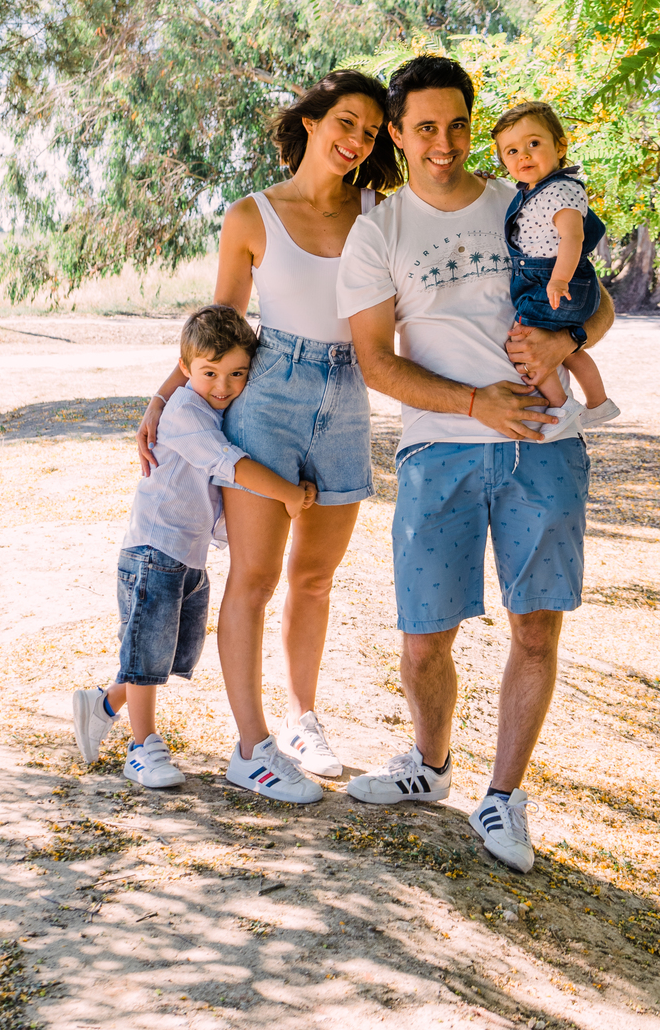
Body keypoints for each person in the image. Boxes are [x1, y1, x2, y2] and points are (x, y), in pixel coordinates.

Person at [335, 54, 613, 875]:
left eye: (459, 125)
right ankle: (430, 763)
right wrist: (473, 403)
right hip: (438, 450)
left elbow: (591, 298)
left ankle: (503, 796)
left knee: (535, 629)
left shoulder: (522, 200)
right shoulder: (378, 231)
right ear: (397, 133)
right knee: (425, 639)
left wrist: (572, 341)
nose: (448, 143)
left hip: (543, 447)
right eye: (426, 128)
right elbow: (376, 364)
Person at [135, 70, 401, 803]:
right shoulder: (251, 215)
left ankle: (300, 723)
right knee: (253, 579)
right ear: (312, 121)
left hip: (348, 394)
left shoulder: (382, 215)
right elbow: (218, 325)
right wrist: (167, 394)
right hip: (269, 391)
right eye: (346, 122)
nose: (356, 141)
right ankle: (249, 747)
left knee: (313, 578)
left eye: (372, 133)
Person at [73, 306, 316, 787]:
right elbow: (230, 466)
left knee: (166, 653)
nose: (222, 386)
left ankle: (100, 705)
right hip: (153, 549)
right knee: (147, 655)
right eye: (209, 373)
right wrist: (287, 493)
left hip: (188, 556)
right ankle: (142, 747)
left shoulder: (215, 410)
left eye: (236, 374)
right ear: (185, 369)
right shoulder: (184, 410)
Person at [492, 100, 619, 434]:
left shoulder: (560, 190)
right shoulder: (533, 192)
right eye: (512, 151)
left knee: (524, 346)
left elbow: (573, 237)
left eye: (534, 144)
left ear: (560, 146)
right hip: (543, 276)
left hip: (551, 278)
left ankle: (562, 406)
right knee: (567, 351)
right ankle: (599, 402)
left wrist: (559, 279)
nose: (524, 156)